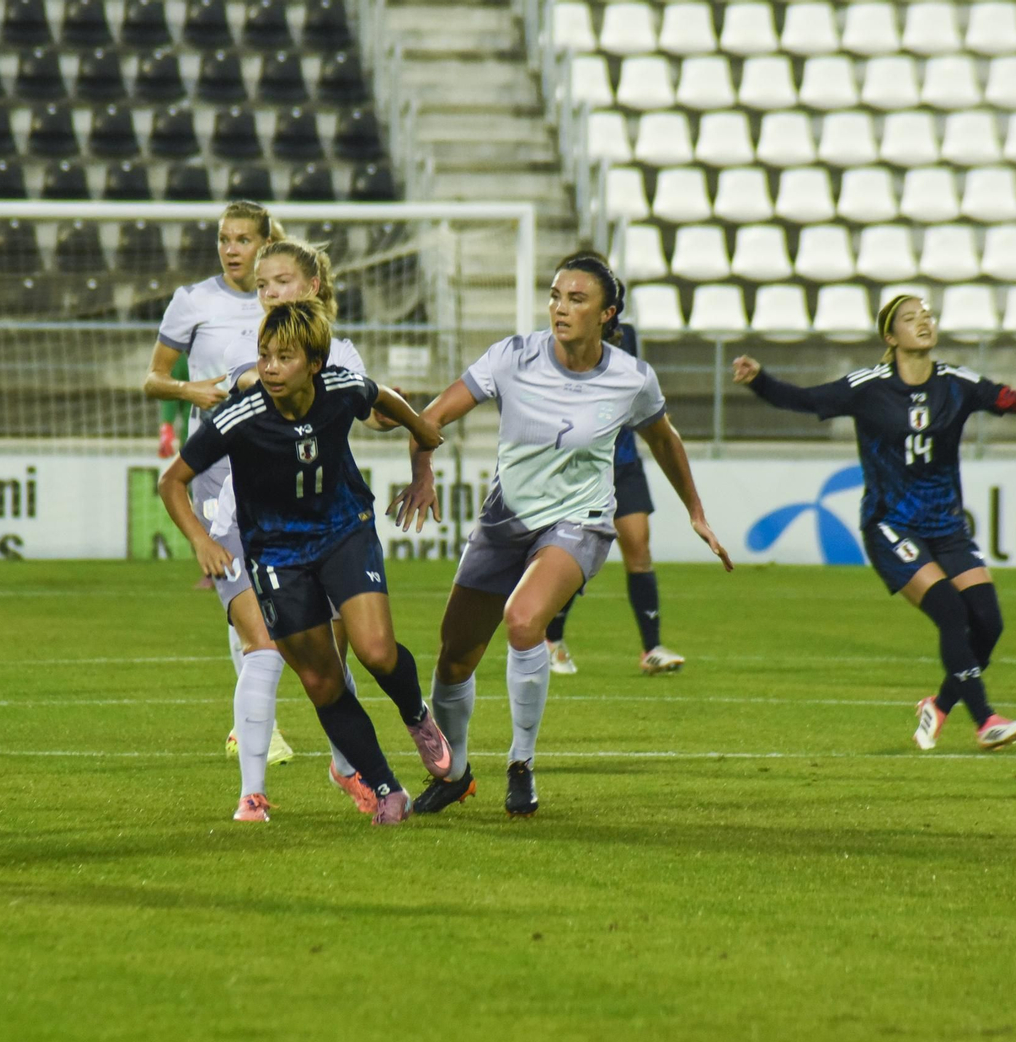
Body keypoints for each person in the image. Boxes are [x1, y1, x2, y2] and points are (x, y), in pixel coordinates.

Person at [390, 253, 732, 817]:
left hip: (580, 522)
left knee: (524, 620)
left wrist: (695, 510)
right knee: (452, 660)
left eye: (576, 299)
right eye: (555, 296)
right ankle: (453, 774)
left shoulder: (632, 377)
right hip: (505, 522)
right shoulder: (513, 356)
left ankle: (521, 765)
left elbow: (664, 440)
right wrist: (422, 472)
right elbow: (429, 418)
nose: (560, 308)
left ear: (607, 313)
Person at [159, 299, 450, 825]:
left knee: (377, 651)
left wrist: (423, 440)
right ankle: (387, 788)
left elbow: (383, 397)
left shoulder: (340, 388)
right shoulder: (239, 416)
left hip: (343, 532)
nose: (269, 367)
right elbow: (171, 480)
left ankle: (417, 716)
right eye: (264, 355)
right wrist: (201, 540)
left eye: (283, 357)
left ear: (314, 363)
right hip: (276, 555)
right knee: (322, 680)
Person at [732, 294, 1016, 751]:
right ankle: (985, 721)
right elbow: (806, 399)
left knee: (988, 621)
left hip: (946, 525)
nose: (923, 322)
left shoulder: (955, 381)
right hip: (891, 526)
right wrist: (760, 380)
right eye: (910, 318)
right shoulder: (869, 386)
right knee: (951, 611)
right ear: (890, 336)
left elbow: (998, 395)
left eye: (927, 315)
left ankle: (939, 706)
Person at [213, 237, 398, 814]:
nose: (267, 293)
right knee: (263, 649)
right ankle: (252, 794)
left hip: (323, 526)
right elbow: (238, 391)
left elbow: (366, 411)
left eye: (280, 282)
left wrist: (408, 427)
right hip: (247, 522)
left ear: (312, 286)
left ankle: (349, 768)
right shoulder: (252, 349)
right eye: (262, 285)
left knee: (335, 664)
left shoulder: (341, 354)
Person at [142, 200, 296, 766]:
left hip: (277, 461)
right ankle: (256, 726)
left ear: (264, 242)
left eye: (242, 240)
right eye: (224, 240)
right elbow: (153, 379)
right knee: (242, 587)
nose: (231, 250)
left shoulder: (283, 300)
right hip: (216, 464)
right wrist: (192, 391)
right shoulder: (193, 302)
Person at [542, 320, 684, 677]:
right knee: (578, 555)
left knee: (639, 547)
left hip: (623, 461)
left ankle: (651, 648)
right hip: (584, 465)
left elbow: (636, 391)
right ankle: (551, 638)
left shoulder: (629, 335)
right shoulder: (563, 340)